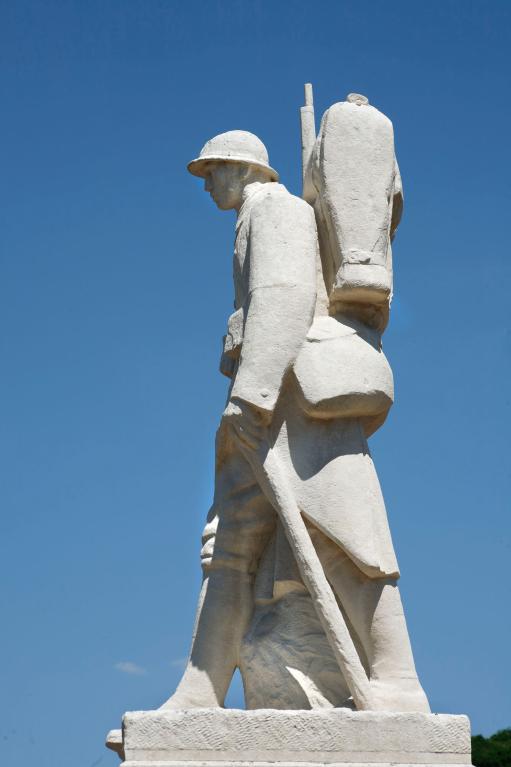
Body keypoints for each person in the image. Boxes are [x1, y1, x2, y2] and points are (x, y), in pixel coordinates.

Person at [161, 130, 430, 713]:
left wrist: (252, 396)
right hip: (269, 399)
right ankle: (198, 693)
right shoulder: (256, 217)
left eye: (214, 172)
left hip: (286, 405)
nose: (208, 184)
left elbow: (282, 297)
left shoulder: (277, 211)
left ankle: (398, 682)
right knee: (229, 550)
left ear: (244, 169)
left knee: (347, 540)